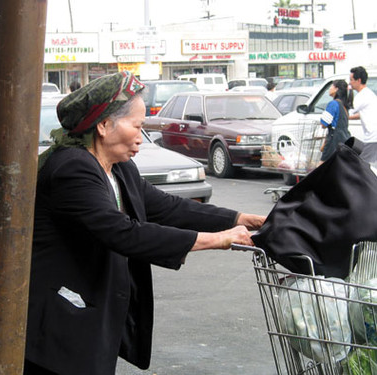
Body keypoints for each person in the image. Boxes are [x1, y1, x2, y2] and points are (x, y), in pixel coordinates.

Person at [24, 71, 265, 375]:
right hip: (58, 328)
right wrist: (217, 240)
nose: (141, 136)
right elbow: (122, 233)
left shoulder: (120, 167)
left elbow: (165, 207)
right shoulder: (72, 168)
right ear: (104, 125)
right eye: (137, 126)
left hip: (87, 322)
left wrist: (239, 218)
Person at [348, 66, 377, 164]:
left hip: (372, 137)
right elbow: (361, 114)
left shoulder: (361, 97)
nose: (349, 82)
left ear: (358, 80)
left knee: (361, 166)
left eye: (351, 80)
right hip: (374, 137)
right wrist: (348, 117)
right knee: (369, 166)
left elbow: (349, 112)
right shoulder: (369, 94)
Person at [319, 79, 352, 162]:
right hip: (343, 142)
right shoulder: (344, 106)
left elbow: (324, 124)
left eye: (331, 86)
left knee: (322, 168)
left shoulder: (333, 104)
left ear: (336, 89)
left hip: (333, 142)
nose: (329, 89)